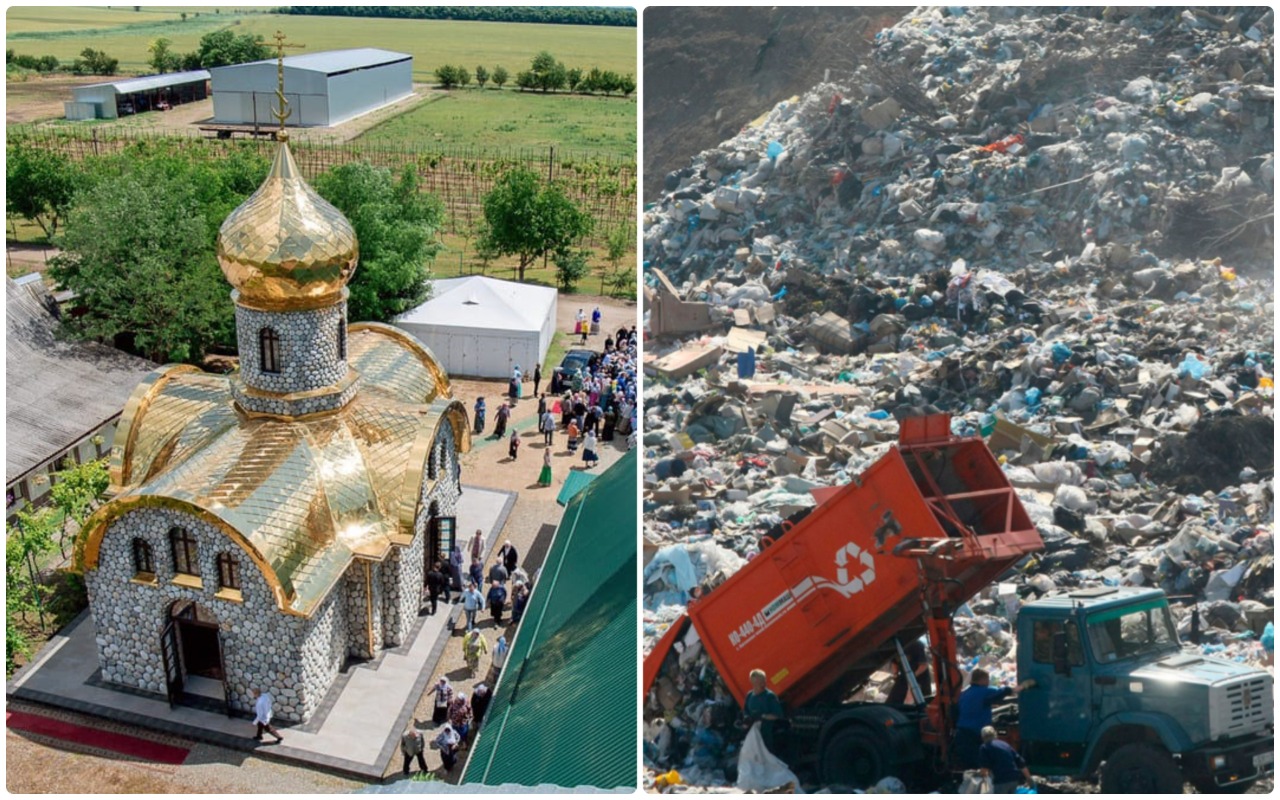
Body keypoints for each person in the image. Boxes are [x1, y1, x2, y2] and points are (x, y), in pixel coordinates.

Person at [953, 669, 1035, 768]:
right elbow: (1007, 691)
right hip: (977, 734)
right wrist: (1024, 686)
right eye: (988, 679)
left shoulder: (964, 693)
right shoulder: (985, 691)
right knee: (983, 763)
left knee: (969, 766)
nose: (988, 682)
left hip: (962, 734)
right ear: (983, 680)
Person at [741, 669, 784, 752]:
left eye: (763, 681)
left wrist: (763, 716)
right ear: (753, 683)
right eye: (760, 682)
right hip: (753, 735)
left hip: (767, 735)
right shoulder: (749, 695)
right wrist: (747, 719)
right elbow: (746, 711)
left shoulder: (769, 696)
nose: (763, 684)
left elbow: (778, 715)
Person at [979, 726, 1031, 793]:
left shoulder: (984, 747)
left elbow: (984, 769)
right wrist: (1029, 778)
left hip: (1001, 781)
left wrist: (978, 775)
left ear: (982, 737)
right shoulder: (1005, 744)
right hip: (1014, 779)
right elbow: (1020, 762)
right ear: (995, 734)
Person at [887, 637, 932, 704]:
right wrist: (895, 674)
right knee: (893, 701)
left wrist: (913, 676)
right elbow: (894, 662)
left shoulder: (917, 645)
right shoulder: (894, 646)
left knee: (921, 701)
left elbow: (923, 665)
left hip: (920, 678)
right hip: (904, 677)